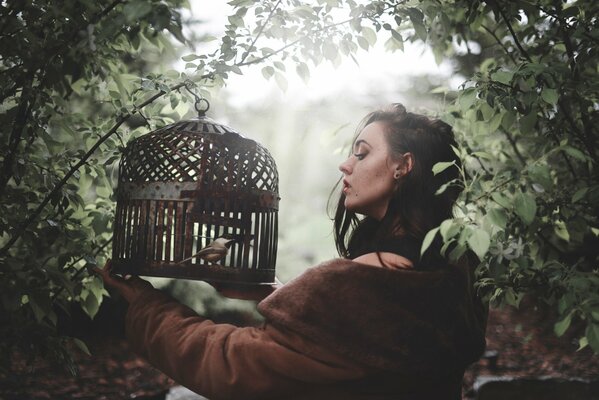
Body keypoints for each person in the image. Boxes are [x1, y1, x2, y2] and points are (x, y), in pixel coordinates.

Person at [95, 103, 487, 400]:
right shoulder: (454, 266)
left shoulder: (363, 281)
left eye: (362, 152)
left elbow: (231, 364)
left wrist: (144, 302)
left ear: (403, 167)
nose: (344, 164)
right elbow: (343, 345)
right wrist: (269, 291)